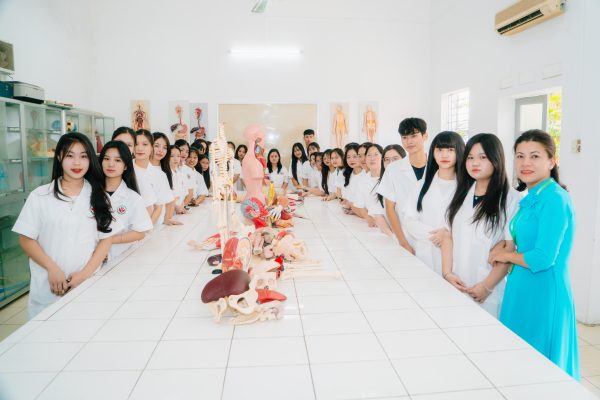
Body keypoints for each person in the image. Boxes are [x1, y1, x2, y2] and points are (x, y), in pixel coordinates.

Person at [490, 130, 579, 380]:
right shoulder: (532, 196)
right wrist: (503, 248)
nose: (525, 163)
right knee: (518, 363)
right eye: (520, 156)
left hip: (544, 290)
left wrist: (506, 256)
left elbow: (543, 257)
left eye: (535, 156)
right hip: (522, 285)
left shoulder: (555, 199)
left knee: (540, 366)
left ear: (552, 161)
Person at [13, 133, 116, 318]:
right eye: (70, 155)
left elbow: (106, 240)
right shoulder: (40, 196)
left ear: (90, 159)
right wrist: (52, 268)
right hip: (48, 289)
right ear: (59, 157)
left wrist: (84, 274)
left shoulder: (100, 196)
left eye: (83, 156)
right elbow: (26, 239)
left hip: (87, 285)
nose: (77, 162)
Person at [442, 133, 520, 318]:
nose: (475, 163)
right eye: (470, 157)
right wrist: (447, 273)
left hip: (488, 286)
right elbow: (447, 234)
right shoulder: (459, 193)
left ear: (496, 159)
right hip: (457, 280)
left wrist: (486, 286)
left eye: (483, 157)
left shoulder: (510, 198)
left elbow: (509, 249)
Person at [403, 132, 464, 274]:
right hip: (426, 253)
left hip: (456, 254)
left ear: (459, 152)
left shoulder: (467, 188)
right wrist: (436, 236)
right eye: (439, 150)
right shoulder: (420, 186)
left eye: (450, 150)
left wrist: (447, 235)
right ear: (433, 153)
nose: (444, 155)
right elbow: (409, 221)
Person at [377, 118, 428, 253]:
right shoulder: (393, 169)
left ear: (425, 136)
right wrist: (403, 242)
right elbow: (390, 209)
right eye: (404, 137)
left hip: (433, 236)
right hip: (406, 235)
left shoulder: (437, 167)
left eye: (414, 136)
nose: (409, 141)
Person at [100, 141, 153, 260]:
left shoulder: (133, 198)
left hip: (119, 258)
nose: (111, 164)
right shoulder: (89, 192)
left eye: (118, 160)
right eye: (106, 159)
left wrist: (108, 240)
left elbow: (140, 232)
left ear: (125, 166)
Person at [112, 127, 155, 216]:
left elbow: (148, 209)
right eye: (119, 143)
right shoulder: (99, 169)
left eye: (129, 145)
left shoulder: (139, 175)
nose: (122, 148)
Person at [134, 130, 172, 226]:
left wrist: (146, 229)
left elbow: (160, 206)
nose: (140, 148)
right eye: (136, 144)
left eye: (145, 144)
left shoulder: (161, 174)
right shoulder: (127, 168)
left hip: (154, 225)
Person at [353, 144, 392, 235]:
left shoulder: (390, 177)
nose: (372, 158)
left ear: (383, 157)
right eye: (369, 155)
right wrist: (369, 219)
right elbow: (360, 205)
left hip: (392, 224)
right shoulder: (362, 181)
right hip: (375, 226)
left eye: (376, 155)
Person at [151, 132, 178, 225]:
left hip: (160, 222)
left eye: (164, 147)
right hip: (146, 222)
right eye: (156, 146)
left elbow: (170, 199)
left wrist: (167, 219)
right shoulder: (143, 168)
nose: (160, 150)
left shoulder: (166, 171)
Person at [341, 143, 363, 213]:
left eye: (355, 156)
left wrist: (354, 209)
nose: (351, 160)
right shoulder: (349, 173)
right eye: (348, 157)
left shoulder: (366, 174)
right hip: (352, 211)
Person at [174, 139, 196, 207]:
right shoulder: (170, 168)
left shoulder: (189, 170)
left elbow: (190, 193)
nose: (184, 153)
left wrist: (182, 207)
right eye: (182, 150)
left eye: (187, 151)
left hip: (182, 207)